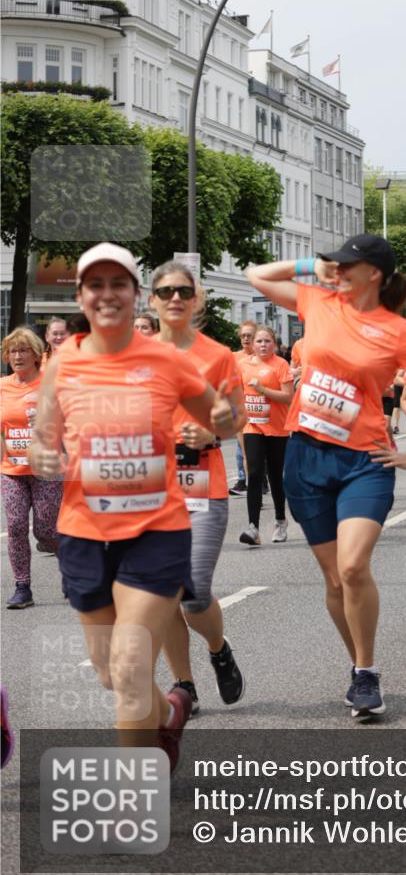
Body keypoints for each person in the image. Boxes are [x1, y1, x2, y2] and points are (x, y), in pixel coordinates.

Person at [28, 243, 239, 765]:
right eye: (94, 285)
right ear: (80, 295)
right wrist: (41, 453)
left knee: (128, 664)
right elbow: (43, 434)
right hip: (83, 531)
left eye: (117, 284)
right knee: (110, 673)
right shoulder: (63, 362)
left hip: (156, 530)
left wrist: (219, 422)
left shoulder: (164, 359)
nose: (107, 295)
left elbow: (224, 415)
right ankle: (169, 716)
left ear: (134, 293)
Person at [247, 234, 406, 720]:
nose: (335, 268)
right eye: (334, 262)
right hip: (306, 455)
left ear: (374, 273)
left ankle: (366, 672)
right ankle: (356, 665)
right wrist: (309, 267)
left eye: (346, 263)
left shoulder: (397, 330)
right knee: (333, 578)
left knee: (353, 566)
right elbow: (256, 275)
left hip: (365, 461)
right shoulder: (318, 301)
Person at [150, 261, 246, 712]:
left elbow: (239, 416)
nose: (174, 298)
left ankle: (218, 650)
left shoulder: (218, 355)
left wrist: (213, 434)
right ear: (152, 300)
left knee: (192, 591)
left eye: (183, 292)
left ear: (196, 300)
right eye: (165, 291)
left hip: (202, 484)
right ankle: (184, 685)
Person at [1, 328, 62, 608]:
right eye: (13, 351)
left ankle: (73, 567)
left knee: (46, 531)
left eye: (23, 350)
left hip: (46, 468)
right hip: (12, 470)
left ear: (37, 355)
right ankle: (22, 587)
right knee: (14, 526)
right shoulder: (2, 387)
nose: (17, 356)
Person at [238, 325, 294, 545]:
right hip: (253, 426)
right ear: (252, 344)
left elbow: (288, 397)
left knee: (275, 475)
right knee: (254, 472)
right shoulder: (243, 365)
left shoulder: (280, 365)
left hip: (278, 428)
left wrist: (262, 390)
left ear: (274, 344)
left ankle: (280, 520)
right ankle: (253, 527)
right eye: (259, 341)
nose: (263, 345)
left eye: (267, 341)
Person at [229, 320, 257, 496]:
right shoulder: (233, 357)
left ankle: (259, 480)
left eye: (250, 335)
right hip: (239, 406)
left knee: (255, 448)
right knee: (242, 449)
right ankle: (243, 481)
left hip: (259, 407)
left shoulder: (261, 355)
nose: (246, 338)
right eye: (243, 335)